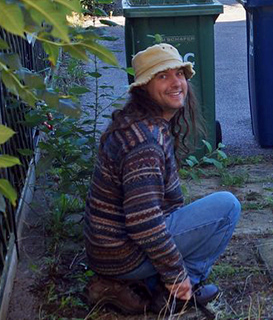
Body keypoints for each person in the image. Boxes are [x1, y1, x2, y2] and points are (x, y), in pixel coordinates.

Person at [84, 43, 241, 313]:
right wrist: (175, 273)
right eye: (162, 76)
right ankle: (177, 291)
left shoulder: (139, 122)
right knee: (227, 207)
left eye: (178, 74)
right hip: (122, 254)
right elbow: (144, 221)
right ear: (144, 87)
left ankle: (128, 285)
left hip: (108, 250)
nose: (175, 83)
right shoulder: (144, 142)